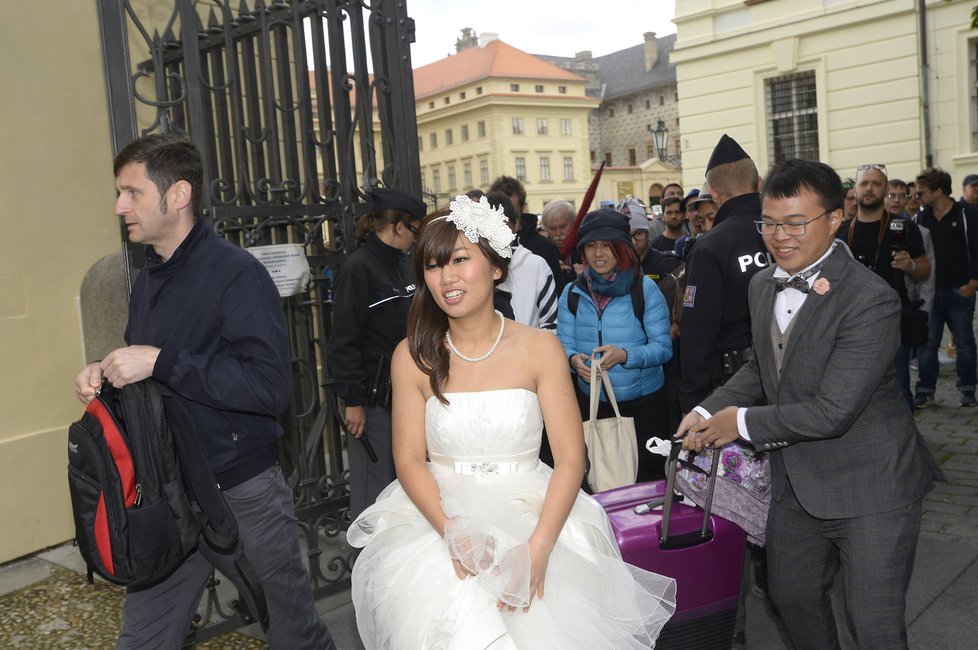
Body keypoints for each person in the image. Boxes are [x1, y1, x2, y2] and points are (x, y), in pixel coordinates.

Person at [346, 195, 676, 648]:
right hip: (440, 520)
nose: (447, 278)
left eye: (460, 259)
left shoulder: (540, 348)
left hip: (535, 515)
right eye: (433, 265)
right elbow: (408, 461)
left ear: (497, 267)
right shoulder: (413, 356)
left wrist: (538, 549)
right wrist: (452, 531)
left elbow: (569, 459)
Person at [73, 134, 335, 649]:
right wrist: (105, 377)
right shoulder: (149, 278)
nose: (119, 206)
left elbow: (268, 386)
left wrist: (160, 361)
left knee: (294, 635)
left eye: (131, 192)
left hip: (242, 493)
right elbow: (155, 383)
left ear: (178, 195)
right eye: (119, 193)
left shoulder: (238, 274)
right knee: (142, 640)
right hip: (168, 491)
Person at [678, 158, 943, 650]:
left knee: (874, 625)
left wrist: (739, 422)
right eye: (770, 223)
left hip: (873, 487)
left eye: (796, 222)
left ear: (834, 220)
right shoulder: (763, 284)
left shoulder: (870, 299)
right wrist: (704, 410)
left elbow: (833, 410)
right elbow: (762, 366)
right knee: (792, 598)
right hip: (797, 485)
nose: (781, 236)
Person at [324, 188, 426, 516]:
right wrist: (353, 401)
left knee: (403, 496)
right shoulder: (358, 268)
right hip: (373, 402)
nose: (416, 238)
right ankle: (366, 566)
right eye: (415, 229)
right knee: (375, 499)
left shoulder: (402, 266)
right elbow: (343, 338)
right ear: (398, 227)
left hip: (406, 399)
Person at [556, 208, 674, 482]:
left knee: (646, 483)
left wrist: (625, 355)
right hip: (593, 405)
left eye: (607, 245)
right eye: (591, 246)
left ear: (622, 247)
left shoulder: (643, 289)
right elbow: (563, 345)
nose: (598, 254)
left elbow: (664, 348)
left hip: (644, 407)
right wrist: (574, 361)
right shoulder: (572, 293)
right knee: (600, 481)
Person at [679, 133, 770, 412]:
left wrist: (694, 403)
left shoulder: (711, 246)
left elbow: (697, 332)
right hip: (791, 380)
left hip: (736, 388)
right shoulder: (787, 232)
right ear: (759, 184)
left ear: (715, 195)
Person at [836, 163, 930, 411]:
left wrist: (909, 265)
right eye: (864, 183)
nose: (869, 188)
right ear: (855, 190)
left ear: (885, 189)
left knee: (899, 389)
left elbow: (925, 270)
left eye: (876, 183)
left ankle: (907, 445)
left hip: (893, 320)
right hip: (850, 322)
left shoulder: (903, 227)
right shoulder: (840, 231)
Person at [913, 167, 978, 408]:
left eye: (922, 192)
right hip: (928, 293)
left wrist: (974, 282)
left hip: (959, 291)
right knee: (927, 344)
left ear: (939, 191)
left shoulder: (967, 214)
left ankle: (968, 388)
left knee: (965, 342)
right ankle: (926, 389)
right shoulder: (921, 217)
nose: (917, 196)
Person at [486, 191, 558, 330]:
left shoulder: (536, 266)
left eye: (503, 225)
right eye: (490, 226)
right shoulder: (473, 268)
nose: (495, 234)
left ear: (516, 226)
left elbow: (550, 325)